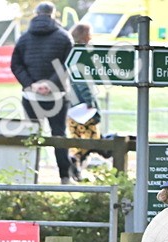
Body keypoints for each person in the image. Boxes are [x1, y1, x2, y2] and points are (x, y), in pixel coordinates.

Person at [10, 2, 73, 184]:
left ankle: (29, 177)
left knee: (32, 137)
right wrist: (50, 84)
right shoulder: (64, 37)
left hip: (31, 96)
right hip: (57, 97)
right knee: (59, 136)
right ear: (53, 15)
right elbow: (67, 64)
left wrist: (32, 85)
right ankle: (65, 177)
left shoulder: (24, 38)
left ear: (36, 14)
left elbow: (16, 65)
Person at [66, 22, 101, 181]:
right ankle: (75, 161)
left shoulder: (69, 52)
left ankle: (76, 165)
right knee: (91, 139)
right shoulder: (80, 54)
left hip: (72, 106)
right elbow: (82, 82)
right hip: (83, 107)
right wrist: (90, 102)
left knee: (78, 138)